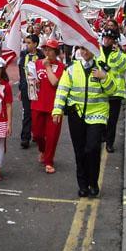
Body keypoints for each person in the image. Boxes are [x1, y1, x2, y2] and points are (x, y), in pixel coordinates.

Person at [52, 46, 117, 198]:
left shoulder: (103, 68)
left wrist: (104, 77)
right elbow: (62, 90)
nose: (84, 51)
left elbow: (112, 90)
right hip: (77, 115)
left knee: (92, 149)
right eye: (81, 48)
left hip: (97, 114)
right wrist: (57, 110)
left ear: (93, 50)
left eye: (87, 48)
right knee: (79, 151)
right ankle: (83, 185)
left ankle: (93, 182)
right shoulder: (71, 69)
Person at [31, 39, 65, 173]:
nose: (47, 52)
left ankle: (49, 161)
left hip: (54, 106)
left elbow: (54, 82)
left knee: (52, 136)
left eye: (50, 50)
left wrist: (47, 67)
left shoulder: (61, 67)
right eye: (45, 49)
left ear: (56, 52)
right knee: (37, 134)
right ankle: (42, 150)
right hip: (37, 104)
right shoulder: (37, 63)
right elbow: (32, 80)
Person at [98, 29, 126, 153]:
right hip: (101, 90)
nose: (106, 40)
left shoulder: (120, 54)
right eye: (105, 37)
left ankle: (109, 143)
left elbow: (124, 67)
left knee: (112, 120)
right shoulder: (97, 52)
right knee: (101, 117)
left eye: (109, 38)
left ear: (114, 40)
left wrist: (117, 53)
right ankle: (103, 136)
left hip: (115, 92)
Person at [18, 34, 44, 148]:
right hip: (26, 88)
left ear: (35, 44)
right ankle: (25, 137)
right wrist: (21, 87)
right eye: (26, 43)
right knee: (27, 112)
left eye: (29, 43)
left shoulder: (41, 56)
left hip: (38, 89)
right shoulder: (23, 55)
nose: (26, 45)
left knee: (37, 113)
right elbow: (21, 72)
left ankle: (38, 133)